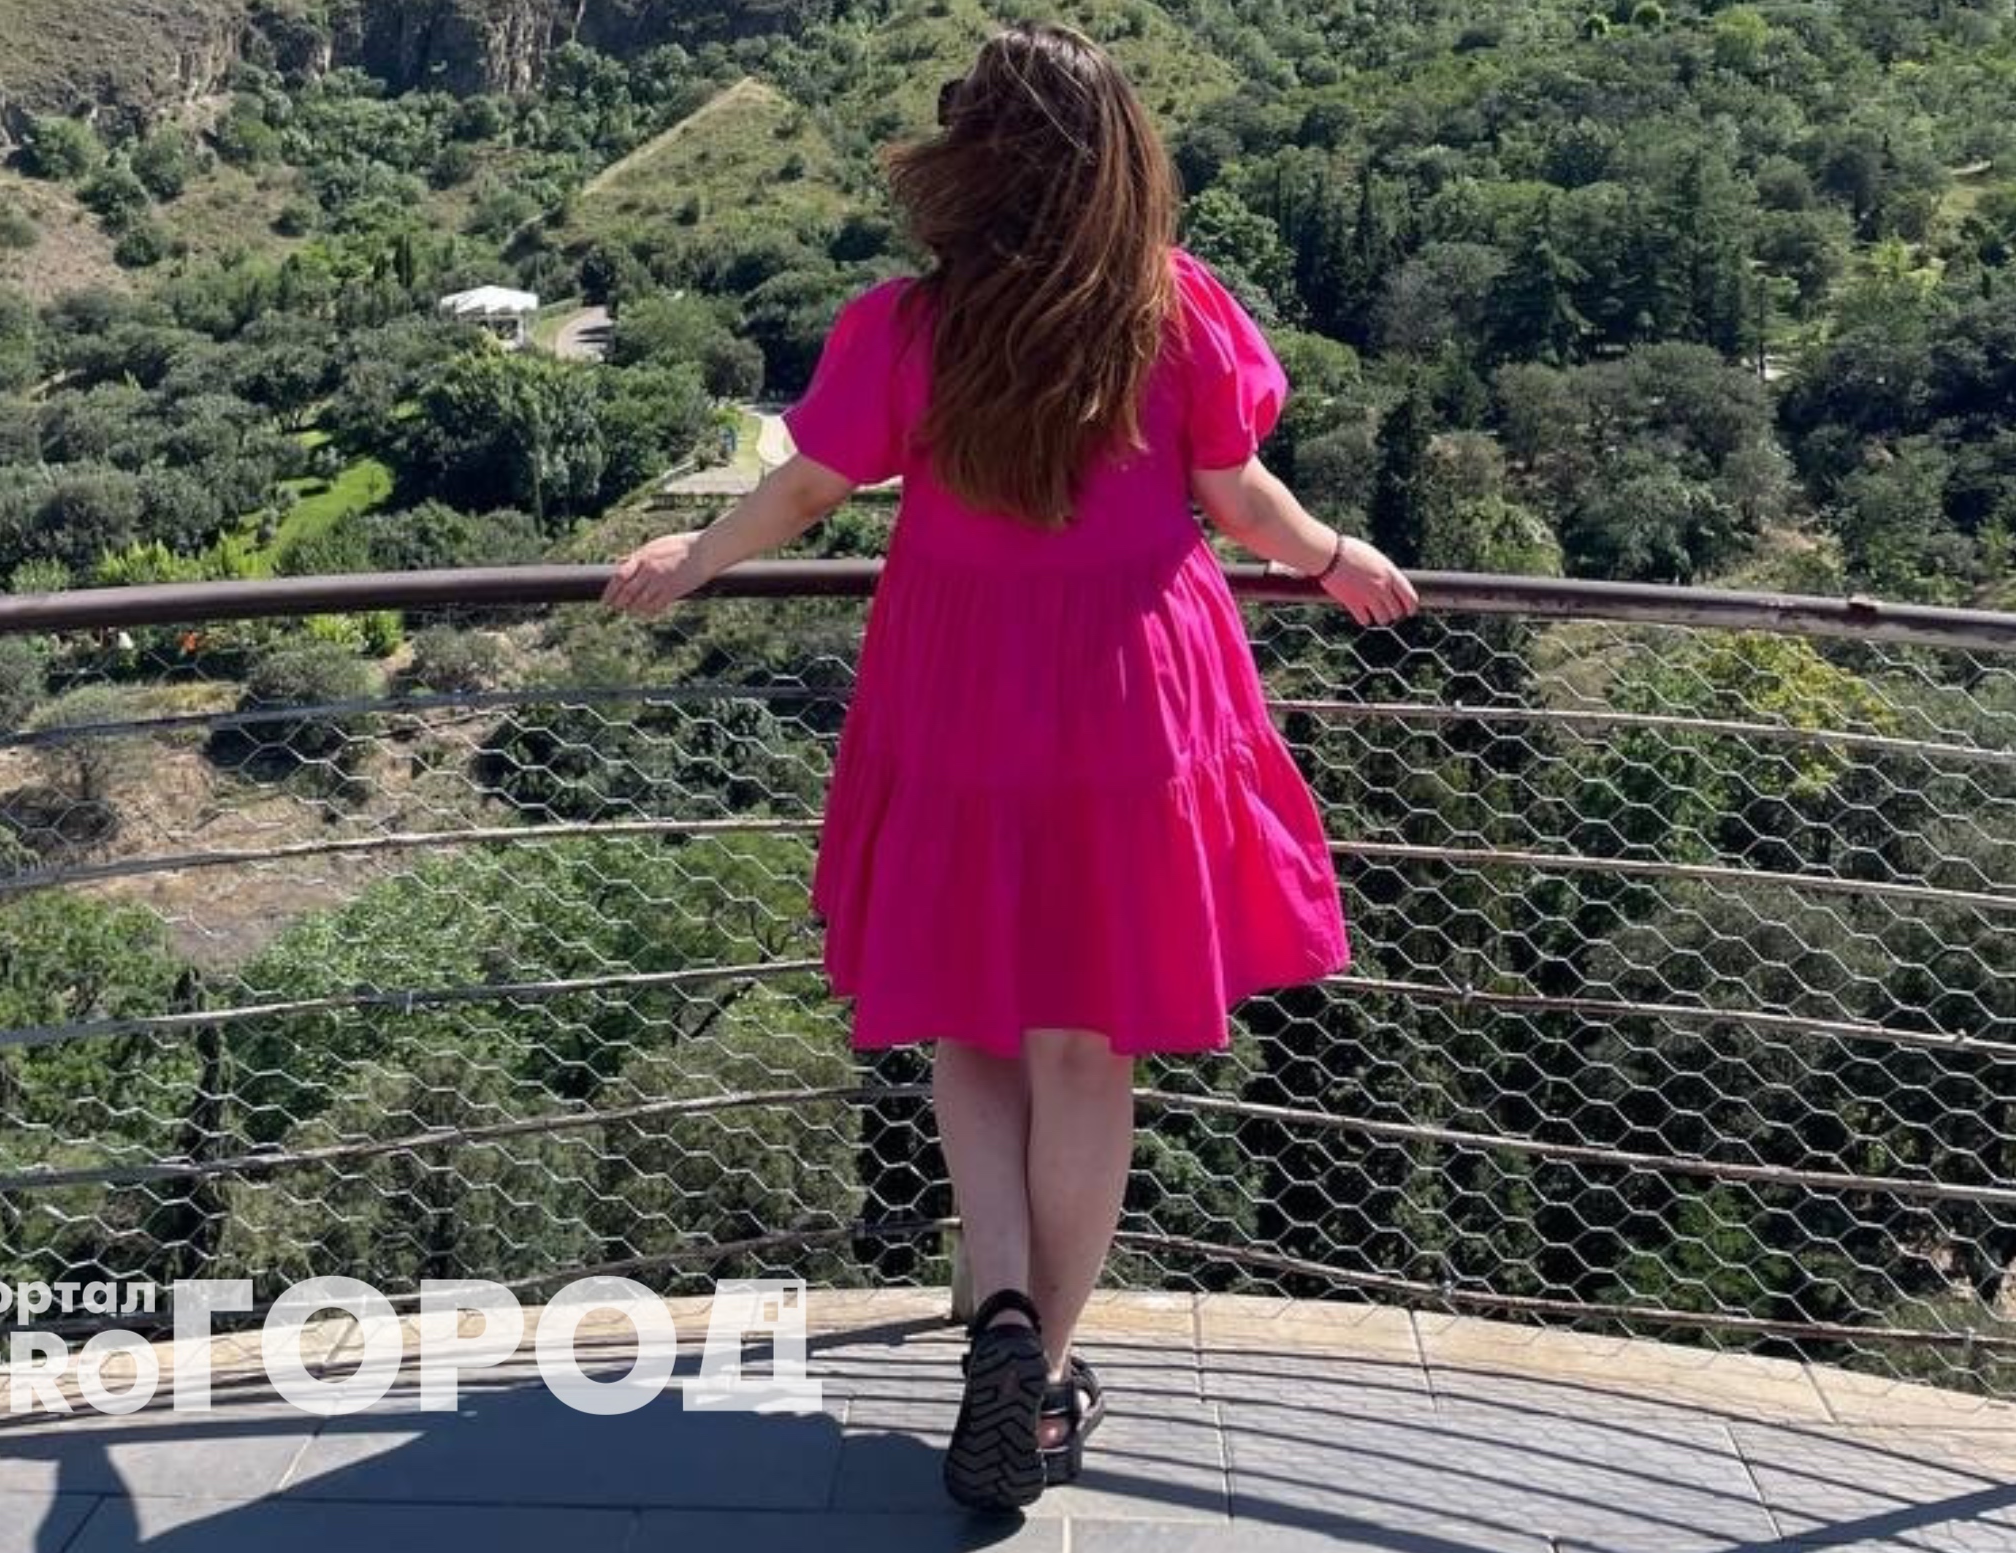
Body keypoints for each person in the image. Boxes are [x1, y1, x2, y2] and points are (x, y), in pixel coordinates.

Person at [602, 21, 1418, 1514]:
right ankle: (1041, 1379)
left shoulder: (910, 327)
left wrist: (693, 557)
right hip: (1134, 694)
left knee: (971, 1016)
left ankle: (999, 1320)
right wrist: (1337, 557)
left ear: (971, 163)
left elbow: (810, 484)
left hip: (957, 686)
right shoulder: (1173, 312)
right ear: (1121, 161)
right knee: (1086, 1048)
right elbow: (1239, 497)